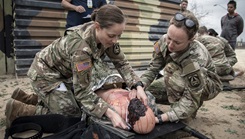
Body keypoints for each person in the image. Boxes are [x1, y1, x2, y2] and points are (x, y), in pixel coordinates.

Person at [5, 4, 148, 130]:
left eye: (119, 36)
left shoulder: (107, 37)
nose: (115, 40)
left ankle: (30, 98)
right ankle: (21, 109)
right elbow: (83, 92)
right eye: (112, 35)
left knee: (84, 105)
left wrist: (137, 85)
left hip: (63, 74)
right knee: (73, 116)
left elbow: (121, 63)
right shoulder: (81, 48)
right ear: (97, 26)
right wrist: (110, 113)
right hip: (45, 75)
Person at [140, 12, 222, 125]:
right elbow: (153, 67)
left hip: (206, 86)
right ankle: (180, 109)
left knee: (170, 70)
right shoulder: (163, 41)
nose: (170, 45)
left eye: (177, 42)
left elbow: (191, 97)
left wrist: (162, 118)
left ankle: (183, 120)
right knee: (149, 93)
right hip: (179, 79)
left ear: (191, 40)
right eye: (169, 38)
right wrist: (141, 86)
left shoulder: (196, 57)